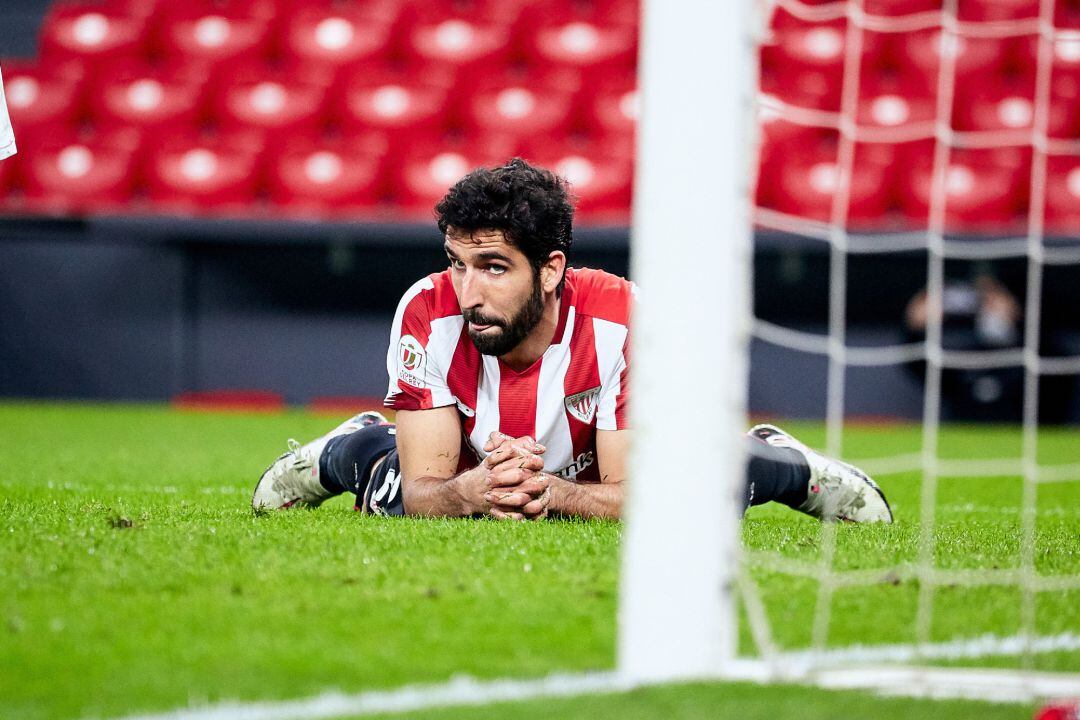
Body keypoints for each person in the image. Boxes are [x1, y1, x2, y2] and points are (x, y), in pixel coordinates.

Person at [252, 159, 892, 523]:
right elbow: (428, 487)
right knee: (388, 483)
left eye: (494, 267)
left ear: (552, 270)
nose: (468, 290)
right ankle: (348, 444)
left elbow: (628, 494)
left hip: (591, 465)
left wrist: (554, 492)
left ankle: (780, 460)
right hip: (474, 462)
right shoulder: (427, 309)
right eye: (457, 262)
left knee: (694, 488)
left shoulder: (624, 317)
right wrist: (465, 493)